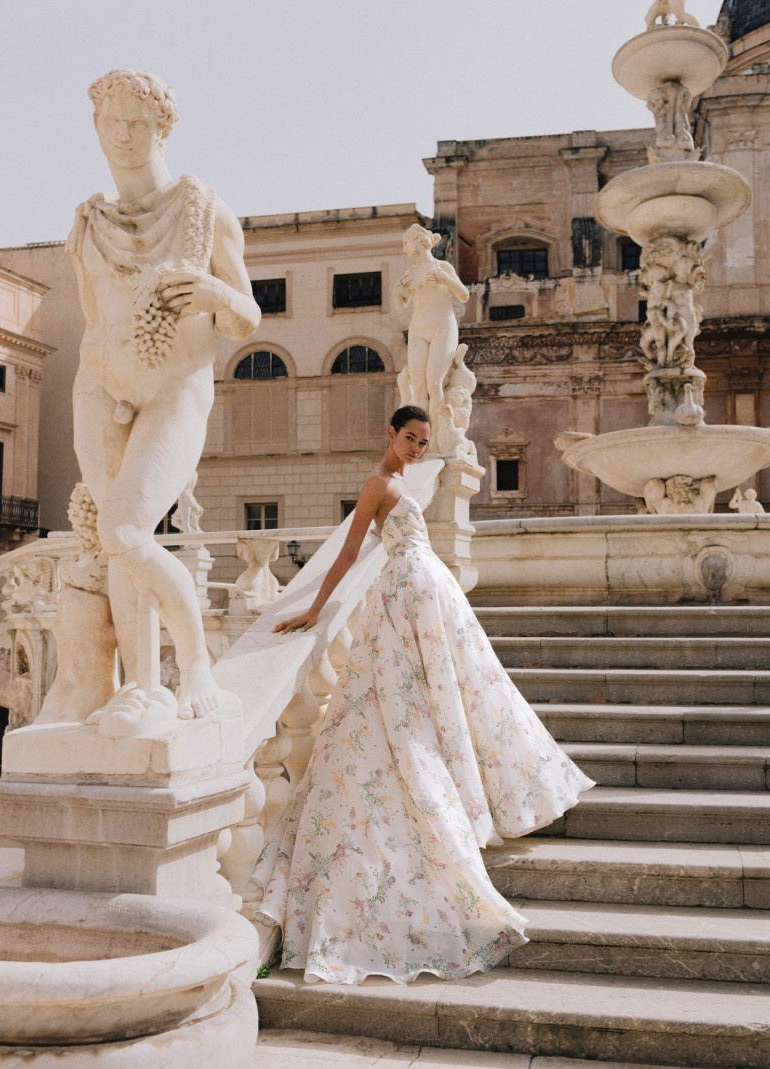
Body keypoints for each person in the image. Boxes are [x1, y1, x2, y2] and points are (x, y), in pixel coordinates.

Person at [252, 405, 594, 984]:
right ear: (390, 434)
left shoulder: (405, 480)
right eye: (410, 439)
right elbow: (351, 549)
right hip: (406, 595)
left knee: (463, 694)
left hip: (427, 592)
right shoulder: (378, 483)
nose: (416, 448)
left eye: (423, 441)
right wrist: (315, 608)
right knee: (408, 706)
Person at [65, 69, 260, 725]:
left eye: (138, 123)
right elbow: (95, 317)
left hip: (175, 388)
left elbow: (247, 317)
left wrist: (211, 294)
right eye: (112, 122)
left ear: (162, 128)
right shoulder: (87, 223)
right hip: (100, 385)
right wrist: (106, 384)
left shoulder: (203, 208)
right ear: (95, 127)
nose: (123, 135)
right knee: (121, 539)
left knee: (124, 528)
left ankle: (196, 664)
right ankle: (140, 687)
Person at [394, 225, 470, 428]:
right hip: (418, 329)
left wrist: (444, 279)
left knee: (434, 382)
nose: (404, 249)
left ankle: (439, 435)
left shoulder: (442, 267)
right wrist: (398, 290)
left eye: (405, 242)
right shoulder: (409, 273)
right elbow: (400, 307)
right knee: (418, 385)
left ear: (419, 240)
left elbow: (464, 295)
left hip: (442, 326)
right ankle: (423, 440)